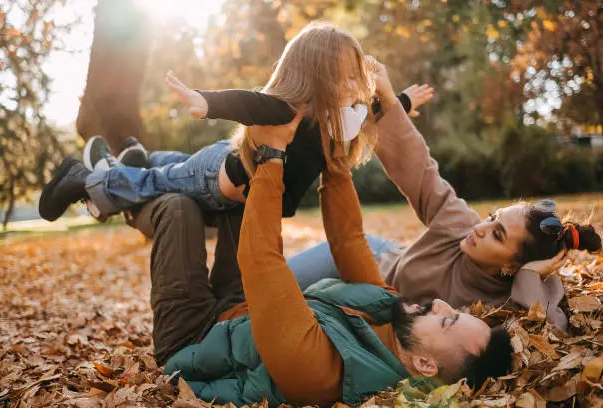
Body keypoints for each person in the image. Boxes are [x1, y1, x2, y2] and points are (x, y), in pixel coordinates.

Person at [128, 112, 513, 407]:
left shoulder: (320, 373)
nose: (442, 303)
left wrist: (273, 156)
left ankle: (124, 199)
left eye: (446, 319)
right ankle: (135, 174)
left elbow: (262, 261)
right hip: (241, 308)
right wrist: (337, 159)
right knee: (235, 195)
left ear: (427, 365)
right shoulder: (387, 313)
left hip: (192, 338)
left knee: (179, 210)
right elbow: (348, 241)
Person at [288, 58, 602, 331]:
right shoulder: (461, 223)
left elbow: (554, 330)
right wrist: (385, 95)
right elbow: (421, 171)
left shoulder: (505, 301)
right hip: (373, 257)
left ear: (511, 267)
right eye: (492, 217)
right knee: (262, 290)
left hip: (368, 298)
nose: (480, 228)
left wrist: (531, 275)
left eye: (497, 234)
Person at [37, 22, 433, 222]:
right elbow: (250, 104)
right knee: (160, 183)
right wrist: (204, 101)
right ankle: (84, 179)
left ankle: (142, 157)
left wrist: (396, 98)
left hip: (220, 171)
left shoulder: (335, 123)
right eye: (344, 76)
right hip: (219, 179)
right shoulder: (289, 112)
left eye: (354, 76)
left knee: (171, 166)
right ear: (316, 78)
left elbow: (365, 117)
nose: (353, 86)